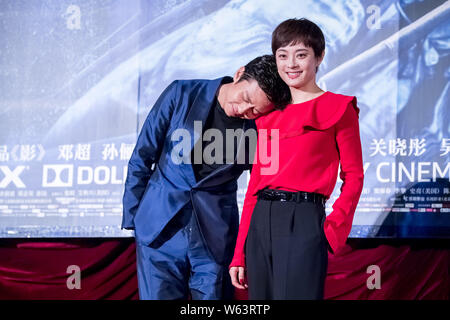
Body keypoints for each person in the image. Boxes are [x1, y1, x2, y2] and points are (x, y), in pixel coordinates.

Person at [122, 55, 291, 300]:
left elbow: (262, 186)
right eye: (245, 98)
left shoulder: (260, 127)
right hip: (159, 229)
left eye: (254, 110)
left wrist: (250, 246)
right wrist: (135, 217)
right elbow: (142, 155)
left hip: (215, 235)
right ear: (239, 73)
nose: (243, 110)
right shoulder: (181, 93)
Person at [229, 18, 364, 299]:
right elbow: (256, 184)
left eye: (301, 55)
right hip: (261, 221)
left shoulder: (339, 108)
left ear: (319, 57)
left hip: (304, 221)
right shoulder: (267, 114)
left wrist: (332, 229)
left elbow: (354, 176)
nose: (291, 64)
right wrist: (239, 251)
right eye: (283, 55)